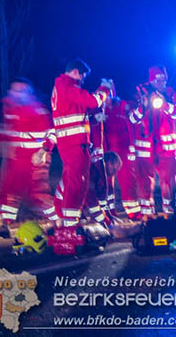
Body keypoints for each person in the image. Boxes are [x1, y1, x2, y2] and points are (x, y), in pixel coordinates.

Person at [0, 78, 58, 238]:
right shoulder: (10, 109)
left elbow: (52, 133)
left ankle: (58, 223)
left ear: (29, 93)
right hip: (15, 158)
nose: (15, 94)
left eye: (20, 91)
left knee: (37, 193)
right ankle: (2, 226)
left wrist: (43, 151)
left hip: (35, 159)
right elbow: (6, 131)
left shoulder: (40, 111)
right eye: (14, 90)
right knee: (7, 189)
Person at [50, 59, 110, 228]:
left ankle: (67, 219)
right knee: (76, 183)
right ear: (76, 72)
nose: (83, 79)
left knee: (75, 182)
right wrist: (105, 88)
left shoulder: (64, 87)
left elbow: (78, 110)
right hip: (73, 143)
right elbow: (93, 101)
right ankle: (69, 224)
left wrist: (92, 118)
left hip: (74, 143)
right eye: (83, 75)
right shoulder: (68, 86)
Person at [133, 65, 176, 216]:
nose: (161, 82)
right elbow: (132, 118)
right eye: (158, 79)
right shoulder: (140, 92)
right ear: (151, 80)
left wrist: (166, 105)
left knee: (170, 181)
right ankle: (147, 216)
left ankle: (171, 213)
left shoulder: (170, 93)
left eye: (163, 79)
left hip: (166, 148)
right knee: (144, 183)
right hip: (145, 147)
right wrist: (142, 108)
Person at [103, 82, 142, 220]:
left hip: (124, 150)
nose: (106, 98)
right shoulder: (101, 110)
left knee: (128, 181)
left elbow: (133, 127)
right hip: (108, 151)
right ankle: (109, 212)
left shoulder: (124, 107)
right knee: (106, 183)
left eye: (108, 94)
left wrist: (132, 146)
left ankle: (134, 213)